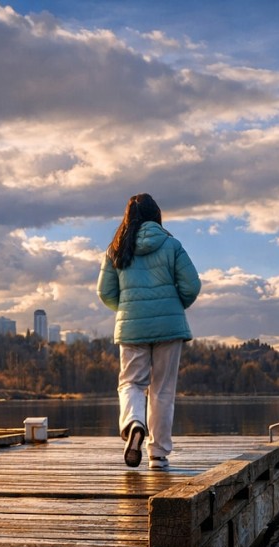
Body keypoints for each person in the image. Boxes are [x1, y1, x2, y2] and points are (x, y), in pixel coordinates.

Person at [97, 193, 201, 470]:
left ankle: (134, 423)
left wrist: (128, 309)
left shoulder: (116, 249)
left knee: (131, 383)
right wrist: (175, 306)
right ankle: (158, 454)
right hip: (170, 326)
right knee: (162, 390)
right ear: (157, 215)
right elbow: (192, 286)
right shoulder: (172, 245)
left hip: (132, 326)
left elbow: (105, 292)